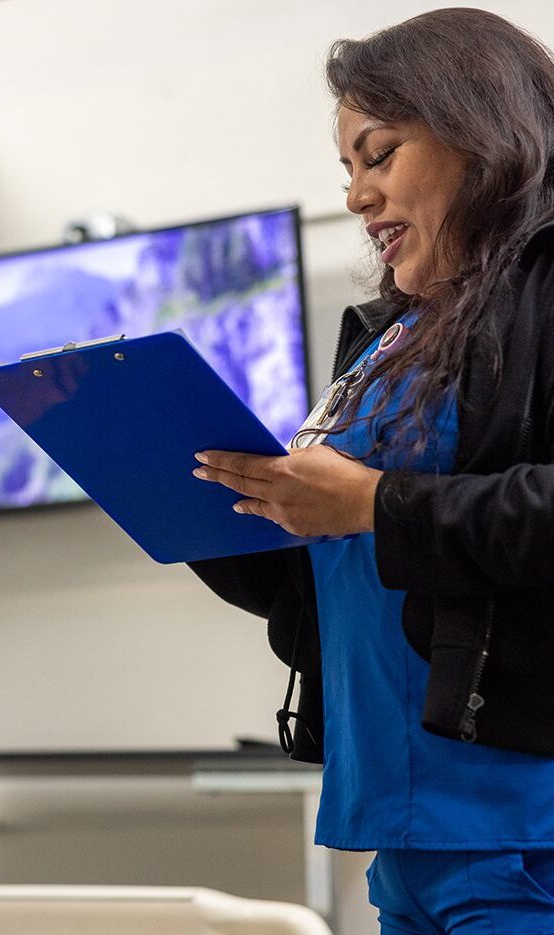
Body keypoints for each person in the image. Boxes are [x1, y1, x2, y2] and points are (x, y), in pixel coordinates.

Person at [189, 8, 554, 933]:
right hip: (403, 827)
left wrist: (375, 503)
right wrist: (199, 507)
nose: (356, 196)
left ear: (482, 135)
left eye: (379, 154)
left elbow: (392, 517)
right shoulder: (386, 341)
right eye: (347, 169)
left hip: (523, 822)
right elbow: (329, 572)